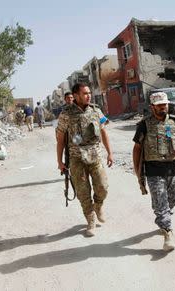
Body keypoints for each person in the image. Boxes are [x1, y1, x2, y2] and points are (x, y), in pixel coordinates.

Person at [132, 92, 175, 251]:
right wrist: (138, 171)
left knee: (172, 199)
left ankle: (163, 216)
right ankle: (168, 232)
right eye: (160, 105)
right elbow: (137, 149)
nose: (163, 107)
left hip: (173, 169)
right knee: (161, 202)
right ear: (152, 107)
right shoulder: (144, 125)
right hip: (154, 171)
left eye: (165, 104)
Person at [56, 83, 114, 237]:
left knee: (103, 186)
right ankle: (90, 220)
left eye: (89, 93)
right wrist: (60, 161)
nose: (88, 95)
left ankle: (98, 204)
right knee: (83, 192)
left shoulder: (96, 110)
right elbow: (60, 139)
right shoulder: (66, 114)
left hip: (95, 156)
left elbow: (103, 132)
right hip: (76, 158)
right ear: (75, 96)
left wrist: (110, 153)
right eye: (85, 93)